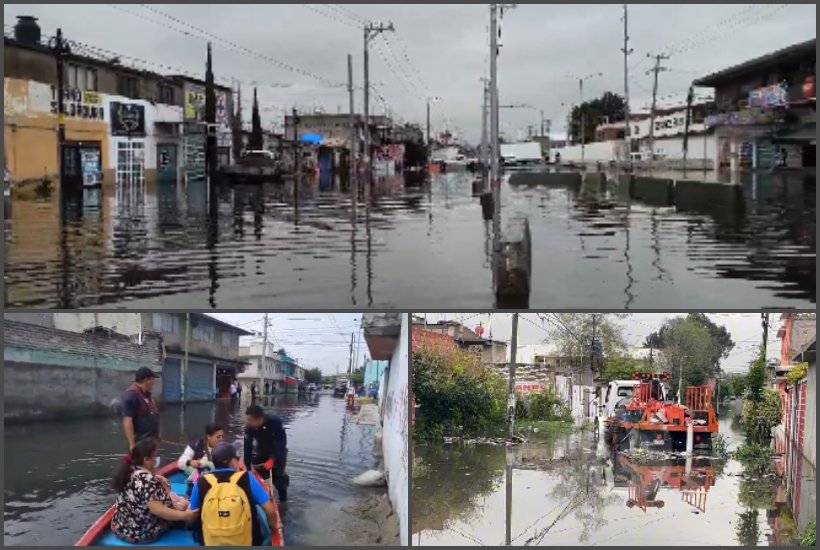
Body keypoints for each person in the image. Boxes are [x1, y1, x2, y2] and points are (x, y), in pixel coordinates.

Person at [189, 442, 283, 546]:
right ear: (234, 461)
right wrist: (274, 525)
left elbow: (193, 513)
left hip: (211, 541)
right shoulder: (247, 478)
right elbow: (269, 509)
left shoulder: (201, 482)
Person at [111, 438, 195, 545]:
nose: (156, 459)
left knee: (177, 500)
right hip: (140, 534)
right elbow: (159, 511)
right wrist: (186, 515)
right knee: (185, 507)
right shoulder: (149, 481)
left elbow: (140, 484)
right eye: (155, 456)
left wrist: (156, 477)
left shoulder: (129, 471)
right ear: (146, 460)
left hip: (120, 528)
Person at [244, 405, 289, 503]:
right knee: (258, 478)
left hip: (278, 452)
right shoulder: (250, 427)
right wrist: (247, 467)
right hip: (261, 451)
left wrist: (272, 459)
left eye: (251, 420)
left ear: (259, 418)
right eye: (248, 420)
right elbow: (247, 447)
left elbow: (281, 443)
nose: (248, 423)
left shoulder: (275, 422)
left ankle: (283, 501)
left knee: (278, 479)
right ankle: (263, 499)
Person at [177, 423, 225, 497]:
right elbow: (181, 462)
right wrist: (190, 462)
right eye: (218, 437)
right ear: (208, 436)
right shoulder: (196, 445)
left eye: (222, 436)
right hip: (199, 478)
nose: (221, 439)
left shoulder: (224, 447)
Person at [122, 367, 161, 451]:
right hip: (140, 443)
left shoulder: (147, 395)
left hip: (150, 441)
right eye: (153, 380)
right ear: (147, 380)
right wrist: (132, 444)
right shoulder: (131, 396)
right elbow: (127, 420)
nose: (154, 383)